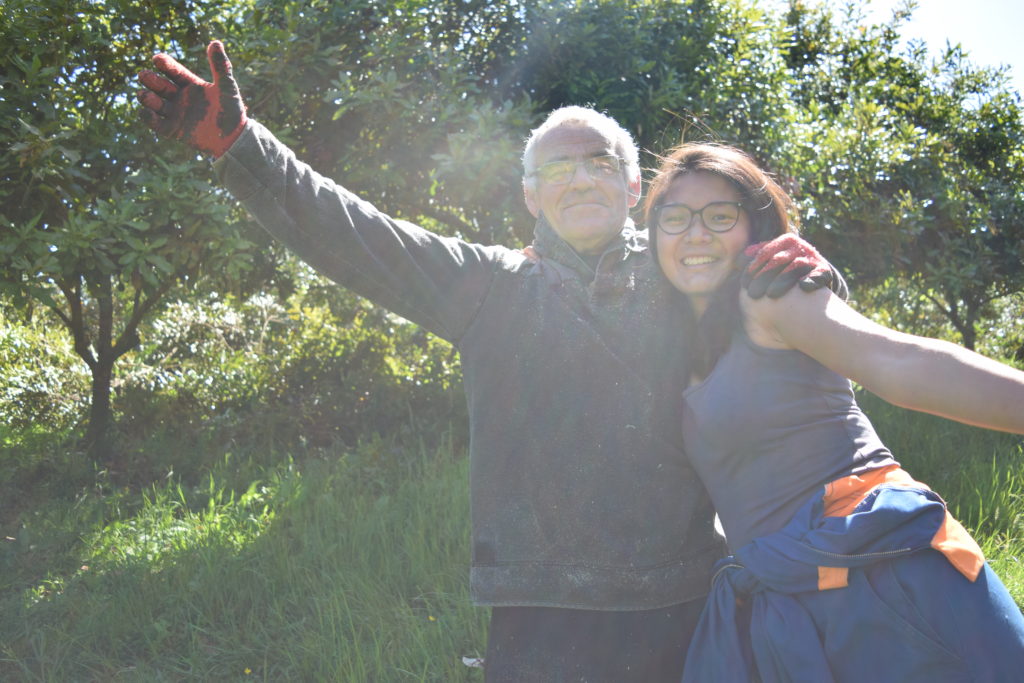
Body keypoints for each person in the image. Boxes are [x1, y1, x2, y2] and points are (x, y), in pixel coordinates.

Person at [136, 42, 844, 681]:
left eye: (600, 163)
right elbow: (356, 237)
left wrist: (806, 270)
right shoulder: (494, 287)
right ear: (531, 195)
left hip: (688, 600)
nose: (579, 179)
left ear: (633, 188)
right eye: (556, 168)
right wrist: (240, 144)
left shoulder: (690, 276)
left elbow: (795, 337)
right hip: (539, 614)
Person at [644, 141, 1024, 682]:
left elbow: (899, 362)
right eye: (675, 217)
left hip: (876, 565)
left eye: (720, 216)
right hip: (791, 598)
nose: (696, 233)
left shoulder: (773, 295)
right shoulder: (670, 341)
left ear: (753, 228)